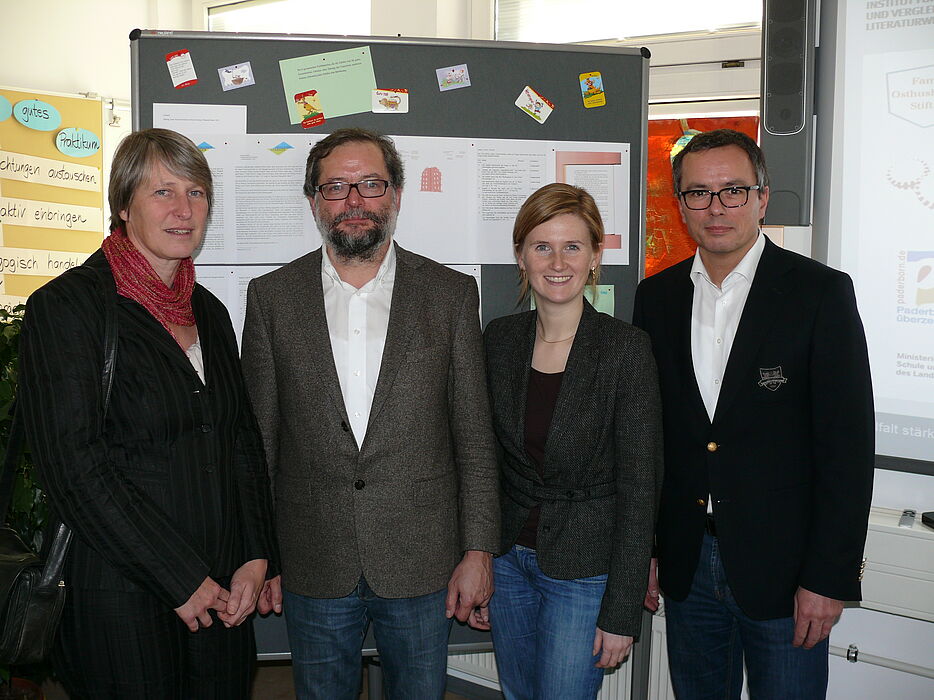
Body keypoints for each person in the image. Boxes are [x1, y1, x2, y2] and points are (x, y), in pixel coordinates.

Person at [17, 128, 279, 698]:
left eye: (197, 192)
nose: (184, 210)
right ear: (122, 204)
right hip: (120, 593)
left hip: (222, 588)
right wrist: (179, 578)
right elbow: (73, 469)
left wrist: (256, 554)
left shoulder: (207, 310)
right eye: (163, 192)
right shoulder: (66, 308)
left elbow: (239, 437)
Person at [240, 127, 500, 700]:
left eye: (370, 184)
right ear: (313, 201)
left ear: (397, 195)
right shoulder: (271, 298)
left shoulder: (451, 295)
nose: (354, 200)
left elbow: (474, 438)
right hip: (312, 560)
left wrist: (478, 550)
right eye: (335, 187)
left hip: (422, 561)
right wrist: (258, 554)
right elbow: (257, 444)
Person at [633, 129, 874, 699]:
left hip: (787, 576)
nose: (716, 209)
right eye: (699, 193)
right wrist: (644, 548)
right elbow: (649, 439)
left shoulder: (820, 294)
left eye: (734, 191)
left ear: (762, 198)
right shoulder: (656, 298)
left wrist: (827, 578)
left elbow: (847, 450)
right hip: (688, 564)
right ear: (681, 204)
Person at [479, 183, 663, 700]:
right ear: (520, 256)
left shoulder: (625, 350)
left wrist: (623, 610)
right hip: (508, 559)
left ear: (596, 255)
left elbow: (640, 487)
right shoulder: (499, 339)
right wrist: (475, 560)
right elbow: (482, 462)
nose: (557, 261)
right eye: (542, 246)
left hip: (585, 570)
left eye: (573, 246)